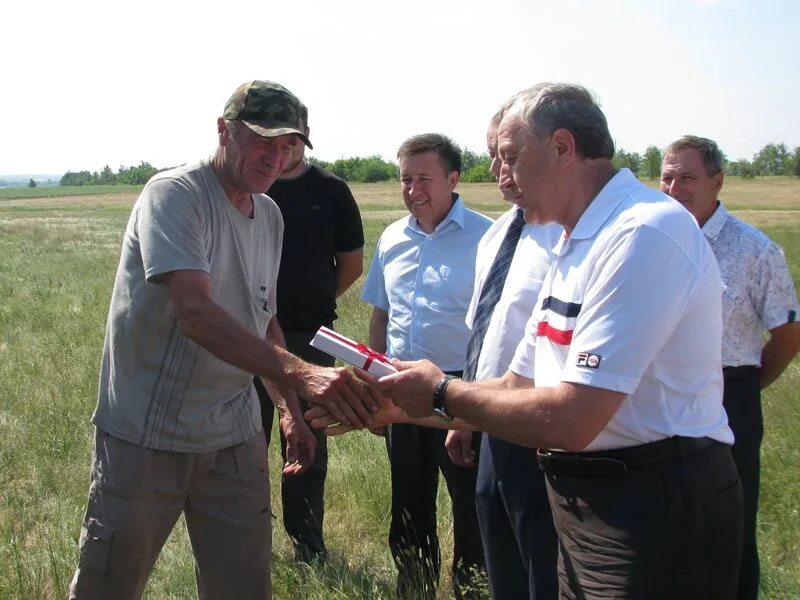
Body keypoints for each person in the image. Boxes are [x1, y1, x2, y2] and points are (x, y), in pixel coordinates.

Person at [312, 83, 744, 599]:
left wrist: (439, 394)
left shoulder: (641, 233)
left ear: (563, 148)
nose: (499, 174)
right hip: (588, 496)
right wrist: (399, 406)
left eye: (511, 157)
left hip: (653, 502)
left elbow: (575, 418)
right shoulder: (571, 239)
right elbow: (518, 383)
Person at [69, 80, 378, 600]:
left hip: (234, 436)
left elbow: (265, 319)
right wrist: (304, 374)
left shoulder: (270, 215)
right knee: (109, 585)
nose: (275, 157)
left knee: (243, 585)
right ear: (223, 131)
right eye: (264, 140)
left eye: (288, 146)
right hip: (150, 434)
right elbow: (196, 314)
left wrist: (287, 410)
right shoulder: (176, 195)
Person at [660, 135, 800, 600]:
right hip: (661, 395)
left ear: (718, 181)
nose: (675, 187)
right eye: (667, 176)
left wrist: (749, 384)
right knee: (667, 518)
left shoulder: (755, 249)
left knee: (729, 520)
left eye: (688, 177)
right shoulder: (651, 240)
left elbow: (788, 333)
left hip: (729, 394)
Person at [361, 133, 491, 599]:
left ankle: (472, 590)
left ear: (454, 179)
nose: (413, 189)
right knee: (409, 504)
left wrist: (474, 409)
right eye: (405, 179)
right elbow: (381, 316)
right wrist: (376, 386)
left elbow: (494, 332)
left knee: (470, 505)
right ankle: (413, 587)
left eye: (424, 179)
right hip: (399, 391)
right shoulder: (392, 238)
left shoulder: (487, 237)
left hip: (460, 389)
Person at [254, 102, 365, 563]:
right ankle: (249, 543)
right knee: (245, 440)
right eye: (276, 141)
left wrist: (313, 302)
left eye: (294, 138)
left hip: (312, 338)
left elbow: (352, 265)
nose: (286, 149)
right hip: (250, 337)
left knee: (306, 442)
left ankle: (308, 546)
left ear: (305, 135)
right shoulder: (253, 188)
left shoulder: (332, 191)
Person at [458, 107, 561, 600]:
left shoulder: (568, 235)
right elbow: (484, 332)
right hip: (491, 419)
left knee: (542, 554)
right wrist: (464, 414)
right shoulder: (497, 233)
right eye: (493, 158)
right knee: (499, 551)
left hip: (542, 422)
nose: (500, 172)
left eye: (509, 158)